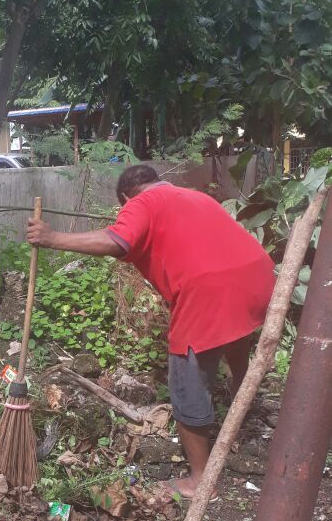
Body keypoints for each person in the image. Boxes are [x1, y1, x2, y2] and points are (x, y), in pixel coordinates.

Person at [27, 164, 276, 499]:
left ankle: (200, 481)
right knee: (233, 333)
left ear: (126, 197)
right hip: (257, 274)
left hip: (208, 288)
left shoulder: (141, 202)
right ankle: (241, 403)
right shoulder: (193, 196)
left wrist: (52, 238)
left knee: (185, 378)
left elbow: (117, 241)